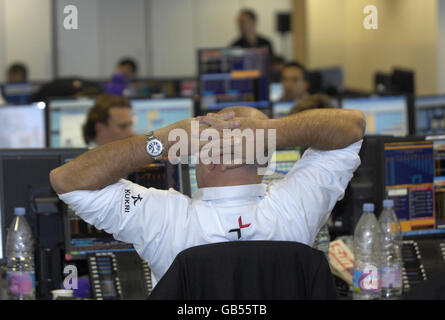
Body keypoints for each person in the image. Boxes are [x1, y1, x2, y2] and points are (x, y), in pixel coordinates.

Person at [50, 106, 365, 285]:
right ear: (266, 159)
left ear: (211, 160)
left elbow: (66, 180)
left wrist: (161, 140)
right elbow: (352, 126)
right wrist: (272, 130)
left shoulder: (163, 219)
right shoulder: (296, 207)